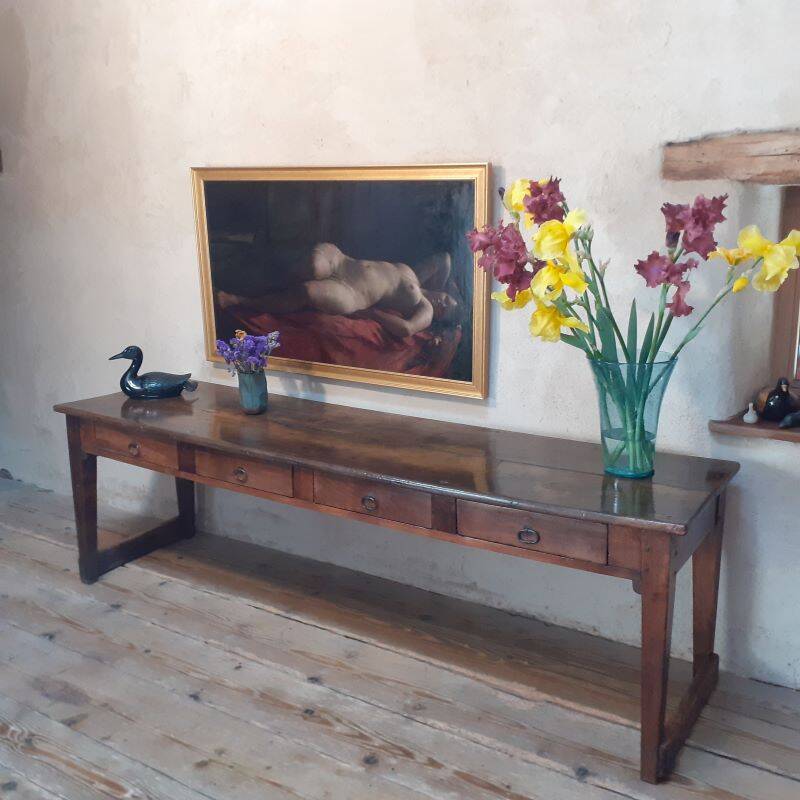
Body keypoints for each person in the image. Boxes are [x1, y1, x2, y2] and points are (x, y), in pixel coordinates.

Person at [216, 243, 461, 339]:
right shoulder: (419, 277)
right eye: (450, 300)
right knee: (312, 265)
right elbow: (445, 258)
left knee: (307, 291)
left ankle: (238, 299)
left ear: (437, 317)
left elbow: (406, 329)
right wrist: (440, 286)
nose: (445, 303)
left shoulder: (424, 307)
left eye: (446, 310)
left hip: (351, 293)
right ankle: (250, 271)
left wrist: (371, 315)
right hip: (344, 261)